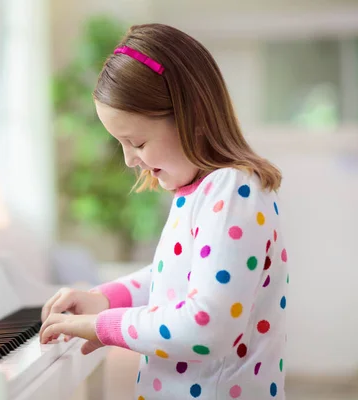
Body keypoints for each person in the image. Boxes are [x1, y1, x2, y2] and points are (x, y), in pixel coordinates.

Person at [39, 23, 288, 399]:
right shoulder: (202, 191)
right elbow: (171, 275)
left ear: (191, 114)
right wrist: (105, 298)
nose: (128, 159)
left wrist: (104, 325)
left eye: (136, 141)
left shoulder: (233, 189)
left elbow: (206, 327)